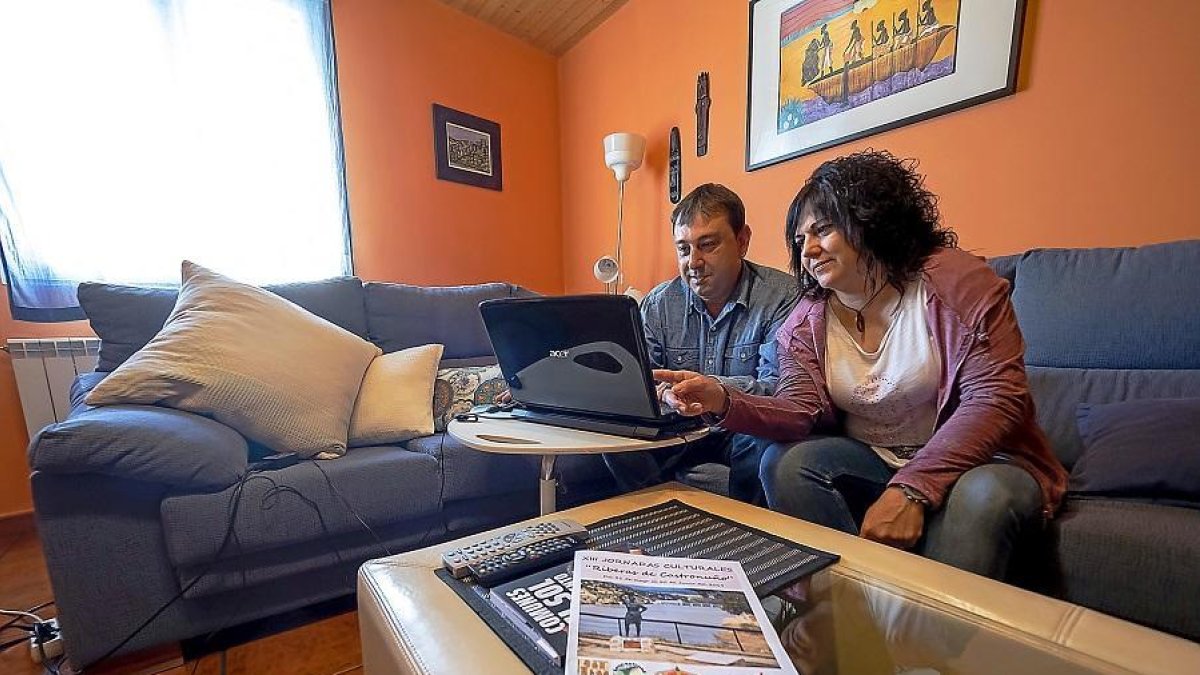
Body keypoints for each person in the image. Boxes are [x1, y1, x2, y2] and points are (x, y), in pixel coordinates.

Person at [653, 151, 1068, 580]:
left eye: (823, 230)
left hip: (981, 460)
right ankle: (847, 605)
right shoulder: (806, 320)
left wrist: (913, 488)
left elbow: (996, 397)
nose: (808, 249)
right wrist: (721, 399)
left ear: (870, 221)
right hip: (873, 456)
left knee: (986, 496)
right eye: (800, 240)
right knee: (786, 462)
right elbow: (799, 411)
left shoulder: (956, 281)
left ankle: (936, 635)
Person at [604, 183, 799, 504]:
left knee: (765, 442)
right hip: (675, 427)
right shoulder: (658, 304)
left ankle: (748, 533)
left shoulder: (782, 297)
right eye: (683, 249)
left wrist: (714, 391)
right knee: (616, 431)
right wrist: (665, 392)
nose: (693, 261)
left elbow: (780, 388)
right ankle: (658, 516)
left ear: (742, 241)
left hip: (742, 428)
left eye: (707, 245)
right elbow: (638, 380)